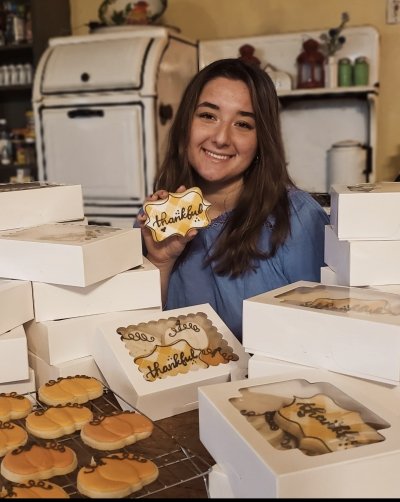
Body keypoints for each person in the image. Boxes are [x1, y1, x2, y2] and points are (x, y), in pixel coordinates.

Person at [136, 58, 329, 342]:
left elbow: (326, 337)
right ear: (185, 124)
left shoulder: (298, 218)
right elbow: (138, 342)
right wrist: (160, 263)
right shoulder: (155, 219)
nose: (221, 138)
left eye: (243, 124)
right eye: (208, 116)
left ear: (262, 139)